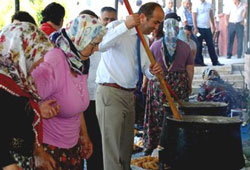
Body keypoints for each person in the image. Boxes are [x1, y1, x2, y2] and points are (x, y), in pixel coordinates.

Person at [31, 14, 107, 170]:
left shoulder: (79, 62)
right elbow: (21, 102)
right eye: (93, 44)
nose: (96, 50)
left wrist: (83, 135)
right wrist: (37, 151)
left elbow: (76, 102)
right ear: (79, 39)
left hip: (72, 146)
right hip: (49, 150)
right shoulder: (54, 61)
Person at [95, 2, 164, 170]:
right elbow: (101, 45)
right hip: (110, 93)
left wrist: (152, 71)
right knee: (112, 152)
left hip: (129, 95)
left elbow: (146, 69)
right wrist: (125, 26)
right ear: (142, 17)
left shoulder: (144, 39)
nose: (157, 27)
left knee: (126, 151)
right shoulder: (116, 26)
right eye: (155, 22)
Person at [0, 22, 60, 170]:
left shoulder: (19, 82)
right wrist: (8, 165)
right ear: (20, 51)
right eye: (38, 54)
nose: (41, 62)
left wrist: (36, 109)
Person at [143, 12, 194, 155]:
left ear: (164, 28)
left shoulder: (154, 46)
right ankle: (176, 142)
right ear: (178, 29)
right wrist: (189, 85)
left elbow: (149, 67)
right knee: (176, 113)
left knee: (156, 113)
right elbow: (190, 69)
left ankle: (154, 144)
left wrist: (145, 84)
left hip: (159, 84)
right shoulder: (185, 47)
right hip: (178, 85)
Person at [80, 7, 117, 170]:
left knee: (100, 140)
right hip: (83, 101)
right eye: (106, 19)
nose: (109, 23)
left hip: (101, 98)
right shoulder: (76, 48)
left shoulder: (109, 43)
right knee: (86, 141)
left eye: (112, 19)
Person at [192, 0, 223, 66]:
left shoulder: (209, 4)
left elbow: (211, 14)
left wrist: (214, 25)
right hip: (199, 28)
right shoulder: (195, 4)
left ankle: (215, 61)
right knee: (199, 46)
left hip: (207, 28)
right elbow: (194, 16)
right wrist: (195, 28)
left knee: (211, 45)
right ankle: (200, 62)